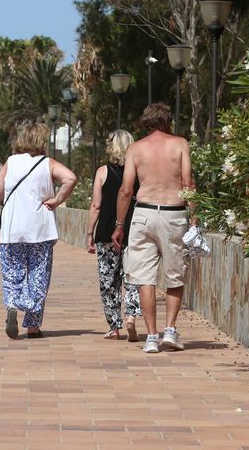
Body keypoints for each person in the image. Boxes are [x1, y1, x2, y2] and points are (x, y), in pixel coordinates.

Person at [111, 103, 195, 354]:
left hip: (144, 214)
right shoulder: (180, 144)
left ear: (145, 123)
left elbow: (126, 190)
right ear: (167, 120)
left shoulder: (135, 149)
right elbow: (187, 182)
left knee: (144, 278)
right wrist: (195, 217)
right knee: (174, 275)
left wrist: (119, 225)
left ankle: (151, 337)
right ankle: (170, 330)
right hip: (173, 214)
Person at [0, 123, 77, 339]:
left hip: (12, 230)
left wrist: (9, 205)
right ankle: (32, 326)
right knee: (39, 275)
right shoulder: (47, 163)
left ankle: (12, 304)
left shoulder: (10, 162)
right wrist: (57, 200)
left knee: (12, 272)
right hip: (40, 228)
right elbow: (70, 178)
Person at [86, 130, 141, 341]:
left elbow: (96, 205)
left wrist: (89, 233)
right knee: (133, 277)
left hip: (107, 233)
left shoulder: (102, 171)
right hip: (133, 231)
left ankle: (114, 327)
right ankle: (131, 317)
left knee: (108, 280)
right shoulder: (137, 172)